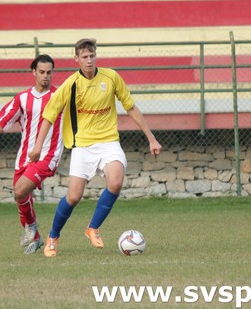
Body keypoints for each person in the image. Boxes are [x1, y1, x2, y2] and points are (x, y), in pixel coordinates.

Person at [28, 38, 162, 257]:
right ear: (76, 59)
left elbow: (131, 107)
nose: (89, 61)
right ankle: (53, 237)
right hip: (82, 146)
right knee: (73, 197)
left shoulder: (111, 77)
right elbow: (48, 117)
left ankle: (93, 228)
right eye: (84, 57)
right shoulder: (70, 85)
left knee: (116, 181)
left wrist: (151, 138)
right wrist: (37, 148)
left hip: (109, 141)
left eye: (92, 56)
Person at [0, 54, 64, 254]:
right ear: (33, 72)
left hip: (48, 155)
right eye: (41, 72)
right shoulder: (22, 98)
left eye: (49, 72)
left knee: (20, 190)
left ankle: (31, 228)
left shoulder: (61, 96)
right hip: (25, 156)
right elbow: (3, 122)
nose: (46, 76)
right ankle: (36, 237)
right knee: (21, 196)